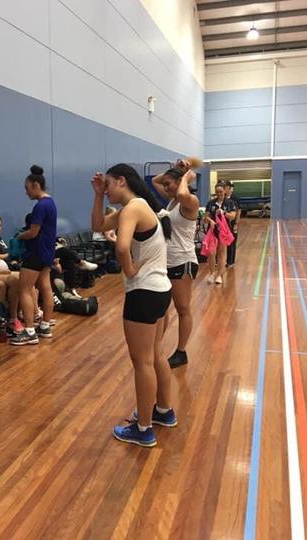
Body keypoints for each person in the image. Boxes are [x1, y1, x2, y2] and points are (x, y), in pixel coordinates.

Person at [91, 164, 175, 448]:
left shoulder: (132, 208)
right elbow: (98, 226)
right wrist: (98, 196)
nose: (107, 190)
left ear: (121, 181)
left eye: (109, 185)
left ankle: (143, 428)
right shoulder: (136, 207)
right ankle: (163, 410)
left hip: (144, 293)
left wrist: (128, 270)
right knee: (156, 355)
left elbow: (122, 247)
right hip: (161, 290)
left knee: (142, 363)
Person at [151, 160, 200, 368]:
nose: (166, 187)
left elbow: (181, 193)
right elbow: (155, 180)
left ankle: (181, 352)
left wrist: (187, 175)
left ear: (180, 183)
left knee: (182, 308)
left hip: (183, 261)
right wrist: (177, 169)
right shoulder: (172, 202)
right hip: (167, 262)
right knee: (162, 309)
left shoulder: (190, 201)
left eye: (170, 184)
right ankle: (156, 347)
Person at [10, 165, 57, 345]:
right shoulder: (51, 203)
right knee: (45, 287)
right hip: (47, 252)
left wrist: (19, 236)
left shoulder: (40, 206)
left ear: (36, 185)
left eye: (27, 188)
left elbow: (33, 232)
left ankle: (29, 331)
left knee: (24, 289)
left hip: (35, 253)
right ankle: (44, 325)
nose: (26, 192)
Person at [204, 182, 238, 284]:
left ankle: (219, 275)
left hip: (224, 232)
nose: (219, 194)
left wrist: (224, 213)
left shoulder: (230, 203)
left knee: (221, 253)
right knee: (211, 253)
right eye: (217, 192)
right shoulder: (211, 203)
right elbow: (206, 217)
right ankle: (212, 273)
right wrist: (210, 221)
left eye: (221, 192)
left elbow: (233, 216)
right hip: (212, 232)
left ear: (225, 191)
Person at [226, 182, 241, 267]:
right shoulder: (223, 198)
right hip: (224, 224)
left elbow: (239, 211)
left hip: (233, 223)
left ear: (228, 187)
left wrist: (236, 223)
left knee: (232, 242)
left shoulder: (235, 198)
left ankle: (231, 261)